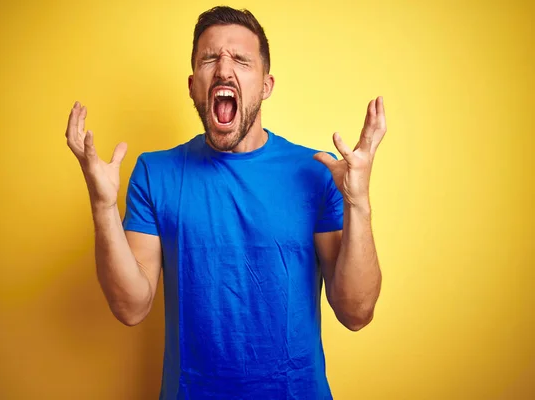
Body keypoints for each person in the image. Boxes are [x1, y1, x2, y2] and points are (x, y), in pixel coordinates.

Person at [65, 5, 385, 399]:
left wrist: (359, 203)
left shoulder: (317, 172)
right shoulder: (155, 173)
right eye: (210, 58)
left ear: (266, 85)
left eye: (241, 60)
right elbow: (131, 307)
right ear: (193, 85)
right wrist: (102, 206)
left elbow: (356, 312)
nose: (223, 69)